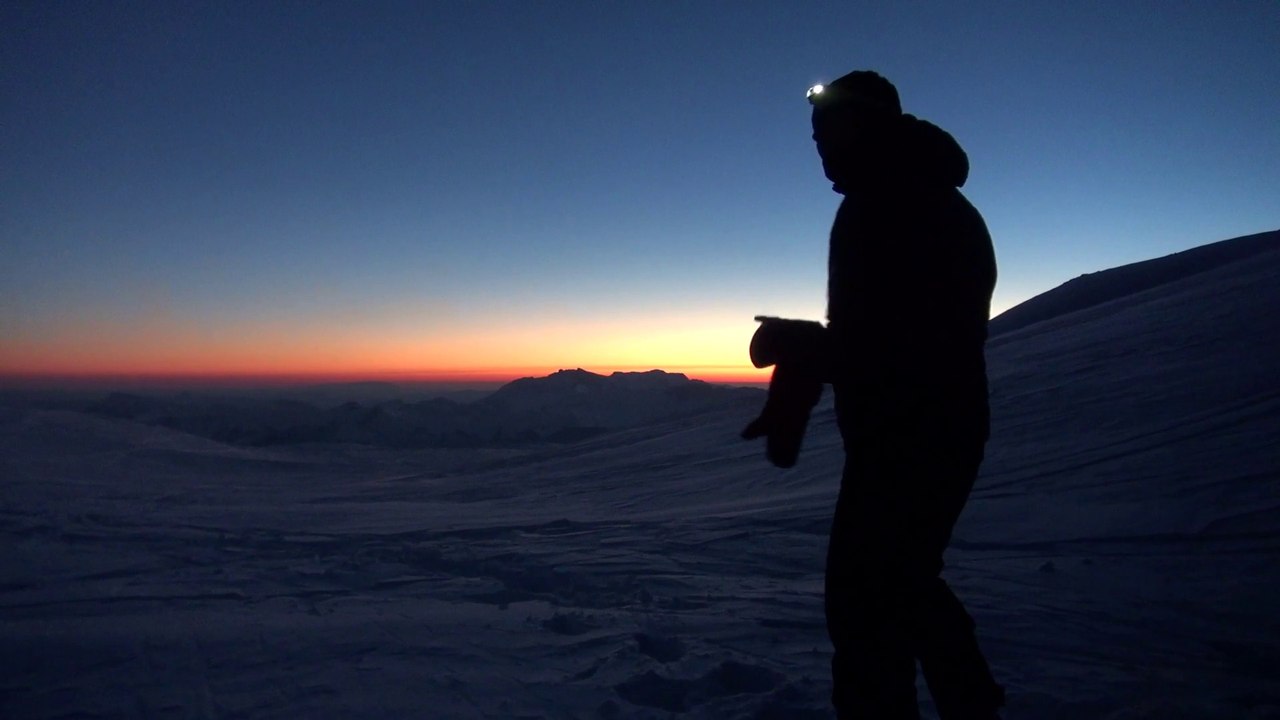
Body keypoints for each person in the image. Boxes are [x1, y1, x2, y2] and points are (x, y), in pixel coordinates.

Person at [809, 70, 1003, 719]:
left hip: (914, 434)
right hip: (919, 428)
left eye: (828, 129)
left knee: (865, 604)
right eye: (815, 134)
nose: (818, 145)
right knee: (904, 582)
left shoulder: (898, 204)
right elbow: (892, 333)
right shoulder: (904, 196)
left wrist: (811, 350)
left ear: (865, 125)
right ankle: (973, 705)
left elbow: (908, 345)